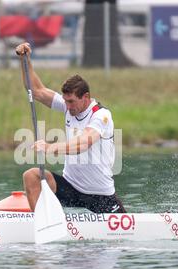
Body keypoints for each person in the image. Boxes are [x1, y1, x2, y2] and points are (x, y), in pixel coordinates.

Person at [15, 42, 126, 214]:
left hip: (100, 195)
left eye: (71, 101)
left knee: (120, 237)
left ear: (85, 97)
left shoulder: (101, 116)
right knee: (31, 176)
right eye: (65, 101)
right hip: (70, 188)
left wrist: (50, 147)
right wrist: (25, 60)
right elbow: (36, 90)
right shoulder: (68, 106)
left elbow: (82, 144)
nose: (67, 106)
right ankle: (42, 223)